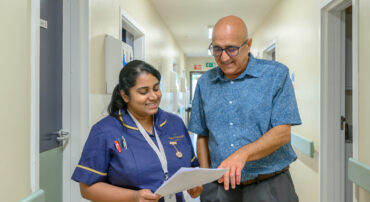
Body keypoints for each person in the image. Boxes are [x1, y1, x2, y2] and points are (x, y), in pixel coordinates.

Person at [189, 16, 301, 202]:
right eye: (217, 49)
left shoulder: (275, 75)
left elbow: (282, 133)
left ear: (248, 44)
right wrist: (205, 178)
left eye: (231, 49)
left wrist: (243, 154)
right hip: (219, 188)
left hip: (268, 185)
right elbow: (202, 134)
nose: (224, 57)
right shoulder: (204, 83)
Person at [72, 60, 202, 202]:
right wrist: (133, 197)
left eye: (156, 88)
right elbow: (87, 189)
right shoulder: (105, 131)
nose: (153, 96)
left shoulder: (174, 123)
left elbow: (191, 167)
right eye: (143, 92)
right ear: (125, 96)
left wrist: (194, 184)